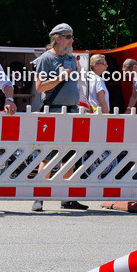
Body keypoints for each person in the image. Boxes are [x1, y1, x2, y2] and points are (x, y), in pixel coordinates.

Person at [32, 23, 86, 212]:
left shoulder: (71, 58)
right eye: (69, 36)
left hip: (71, 111)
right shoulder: (45, 59)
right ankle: (39, 197)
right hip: (54, 111)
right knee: (49, 153)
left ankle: (67, 197)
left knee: (70, 155)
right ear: (58, 39)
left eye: (72, 36)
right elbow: (39, 87)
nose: (72, 40)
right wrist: (59, 78)